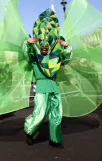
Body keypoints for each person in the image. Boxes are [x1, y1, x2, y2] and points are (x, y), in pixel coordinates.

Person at [22, 8, 72, 148]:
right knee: (40, 112)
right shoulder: (34, 59)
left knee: (57, 114)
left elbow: (66, 60)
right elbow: (26, 55)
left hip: (54, 87)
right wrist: (28, 43)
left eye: (46, 45)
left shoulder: (55, 58)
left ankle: (55, 140)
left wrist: (67, 48)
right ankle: (29, 131)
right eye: (42, 45)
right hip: (42, 88)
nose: (44, 47)